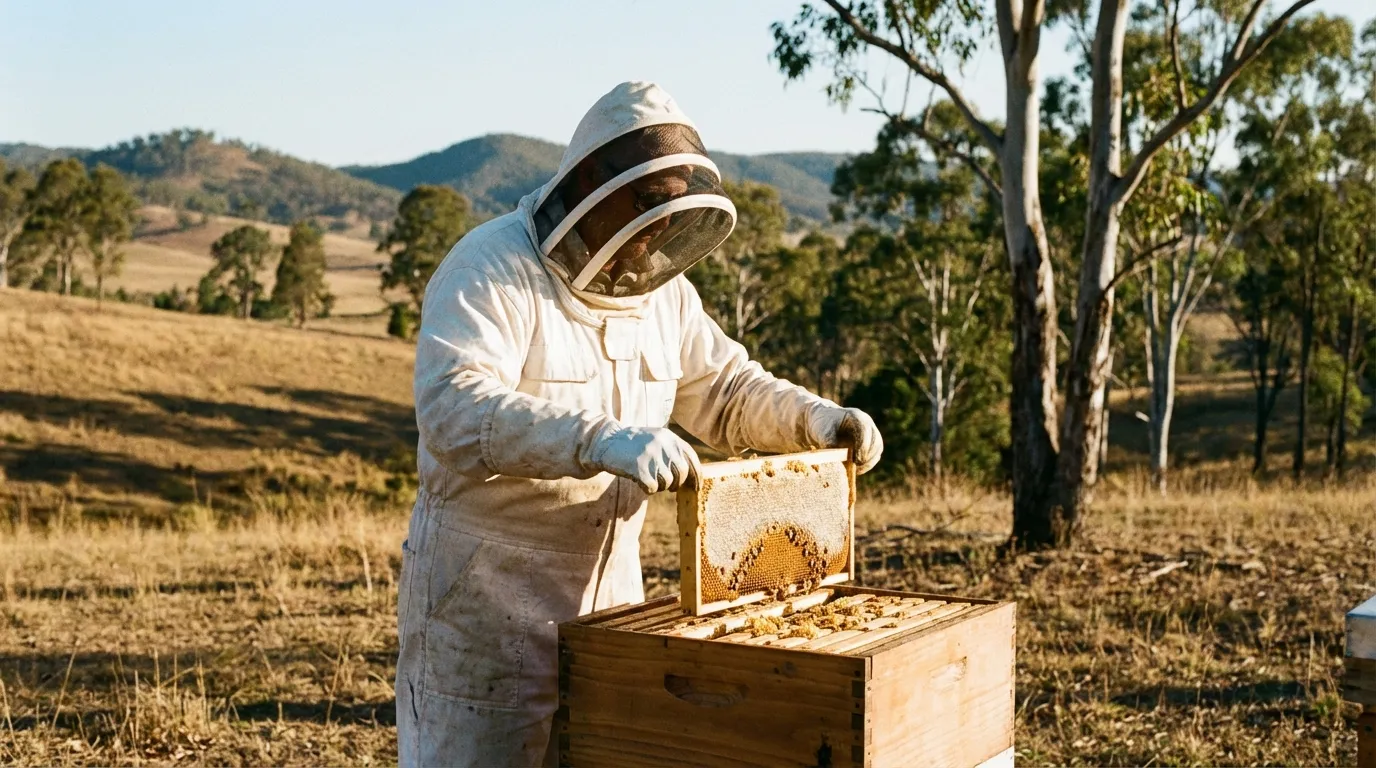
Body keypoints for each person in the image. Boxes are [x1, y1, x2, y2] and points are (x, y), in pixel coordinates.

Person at [395, 81, 883, 768]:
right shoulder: (489, 268)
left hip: (614, 605)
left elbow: (727, 389)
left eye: (672, 205)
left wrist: (818, 420)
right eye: (649, 204)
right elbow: (452, 406)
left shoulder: (663, 296)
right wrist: (596, 438)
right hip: (485, 600)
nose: (658, 228)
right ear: (593, 182)